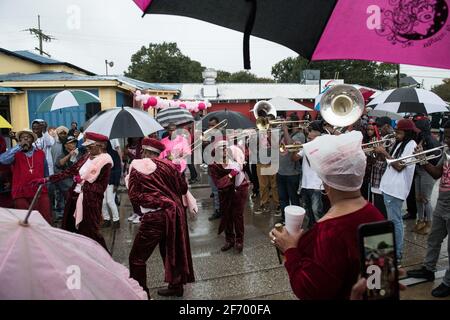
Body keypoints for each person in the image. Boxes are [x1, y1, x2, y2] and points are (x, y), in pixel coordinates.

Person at [270, 131, 384, 299]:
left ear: (326, 182)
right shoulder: (375, 214)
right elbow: (379, 285)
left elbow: (309, 290)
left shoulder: (329, 230)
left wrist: (290, 250)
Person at [127, 137, 195, 298]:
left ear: (145, 151)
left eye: (142, 151)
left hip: (155, 217)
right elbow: (183, 188)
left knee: (137, 258)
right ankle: (176, 286)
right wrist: (177, 170)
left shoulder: (138, 167)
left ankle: (141, 294)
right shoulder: (171, 165)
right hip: (174, 215)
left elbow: (135, 196)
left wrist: (159, 200)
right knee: (171, 251)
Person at [33, 132, 113, 251]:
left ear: (101, 145)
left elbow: (100, 188)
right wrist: (48, 179)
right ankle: (76, 256)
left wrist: (83, 183)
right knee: (70, 229)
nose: (88, 148)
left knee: (91, 233)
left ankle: (105, 259)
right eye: (87, 145)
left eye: (91, 145)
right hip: (74, 197)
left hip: (89, 202)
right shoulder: (86, 156)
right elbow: (69, 171)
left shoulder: (105, 162)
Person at [406, 120, 450, 298]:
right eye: (445, 135)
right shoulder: (446, 152)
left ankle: (448, 282)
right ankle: (428, 269)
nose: (446, 139)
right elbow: (436, 173)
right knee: (434, 238)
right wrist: (422, 159)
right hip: (443, 201)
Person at [375, 119, 419, 263]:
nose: (396, 135)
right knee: (391, 222)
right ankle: (391, 250)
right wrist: (380, 152)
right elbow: (390, 162)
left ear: (407, 133)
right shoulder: (401, 143)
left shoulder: (411, 145)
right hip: (388, 186)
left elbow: (400, 166)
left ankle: (397, 254)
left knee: (395, 222)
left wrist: (385, 152)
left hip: (396, 189)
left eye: (399, 132)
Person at [0, 129, 52, 223]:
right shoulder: (15, 153)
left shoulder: (40, 153)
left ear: (32, 140)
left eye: (28, 137)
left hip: (39, 192)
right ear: (19, 140)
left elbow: (46, 173)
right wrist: (19, 146)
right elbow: (2, 160)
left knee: (43, 219)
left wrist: (45, 187)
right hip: (20, 192)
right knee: (25, 221)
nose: (25, 139)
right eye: (23, 138)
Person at [209, 140, 249, 253]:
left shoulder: (235, 158)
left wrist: (240, 163)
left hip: (239, 190)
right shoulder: (213, 165)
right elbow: (219, 183)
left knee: (238, 216)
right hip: (225, 193)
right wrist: (231, 174)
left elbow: (245, 155)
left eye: (226, 147)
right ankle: (229, 240)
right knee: (227, 215)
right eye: (222, 148)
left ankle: (239, 241)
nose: (225, 150)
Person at [292, 121, 326, 228]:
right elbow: (294, 158)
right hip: (305, 184)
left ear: (317, 134)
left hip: (317, 185)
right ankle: (312, 231)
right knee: (309, 211)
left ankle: (321, 233)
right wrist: (295, 149)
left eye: (310, 131)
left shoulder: (323, 146)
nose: (308, 134)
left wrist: (309, 146)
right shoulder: (306, 146)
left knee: (317, 212)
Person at [412, 116, 440, 234]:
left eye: (416, 127)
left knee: (426, 199)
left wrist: (422, 156)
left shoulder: (430, 140)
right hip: (419, 170)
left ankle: (429, 222)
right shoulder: (420, 138)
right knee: (418, 198)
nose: (415, 129)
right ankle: (420, 220)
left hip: (427, 172)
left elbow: (436, 158)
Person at [276, 116, 305, 222]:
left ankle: (296, 220)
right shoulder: (282, 134)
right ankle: (285, 219)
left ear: (293, 123)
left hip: (292, 173)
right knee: (282, 199)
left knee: (293, 199)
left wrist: (285, 130)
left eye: (287, 120)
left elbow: (291, 145)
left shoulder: (300, 135)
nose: (285, 122)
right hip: (280, 172)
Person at [53, 136, 83, 221]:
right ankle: (62, 215)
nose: (74, 144)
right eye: (71, 143)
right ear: (65, 145)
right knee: (63, 200)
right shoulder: (61, 154)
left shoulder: (78, 153)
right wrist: (70, 155)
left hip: (75, 181)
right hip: (64, 182)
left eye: (74, 142)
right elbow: (59, 163)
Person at [370, 116, 394, 218]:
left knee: (382, 211)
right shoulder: (382, 138)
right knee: (377, 208)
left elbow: (391, 160)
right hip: (376, 178)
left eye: (380, 127)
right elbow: (375, 159)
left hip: (383, 180)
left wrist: (381, 152)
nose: (378, 129)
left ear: (387, 126)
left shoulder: (392, 139)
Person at [101, 140, 122, 229]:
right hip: (102, 182)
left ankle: (116, 220)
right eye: (101, 143)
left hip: (111, 181)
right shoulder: (100, 154)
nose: (103, 145)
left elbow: (118, 169)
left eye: (105, 143)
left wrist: (116, 183)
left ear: (108, 144)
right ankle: (106, 220)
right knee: (103, 202)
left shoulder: (113, 153)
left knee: (110, 201)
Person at [204, 117, 221, 221]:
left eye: (213, 125)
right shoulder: (209, 135)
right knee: (215, 191)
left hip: (220, 167)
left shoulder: (222, 136)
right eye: (210, 125)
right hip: (211, 167)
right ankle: (218, 210)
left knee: (220, 190)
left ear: (218, 124)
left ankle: (220, 210)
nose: (211, 127)